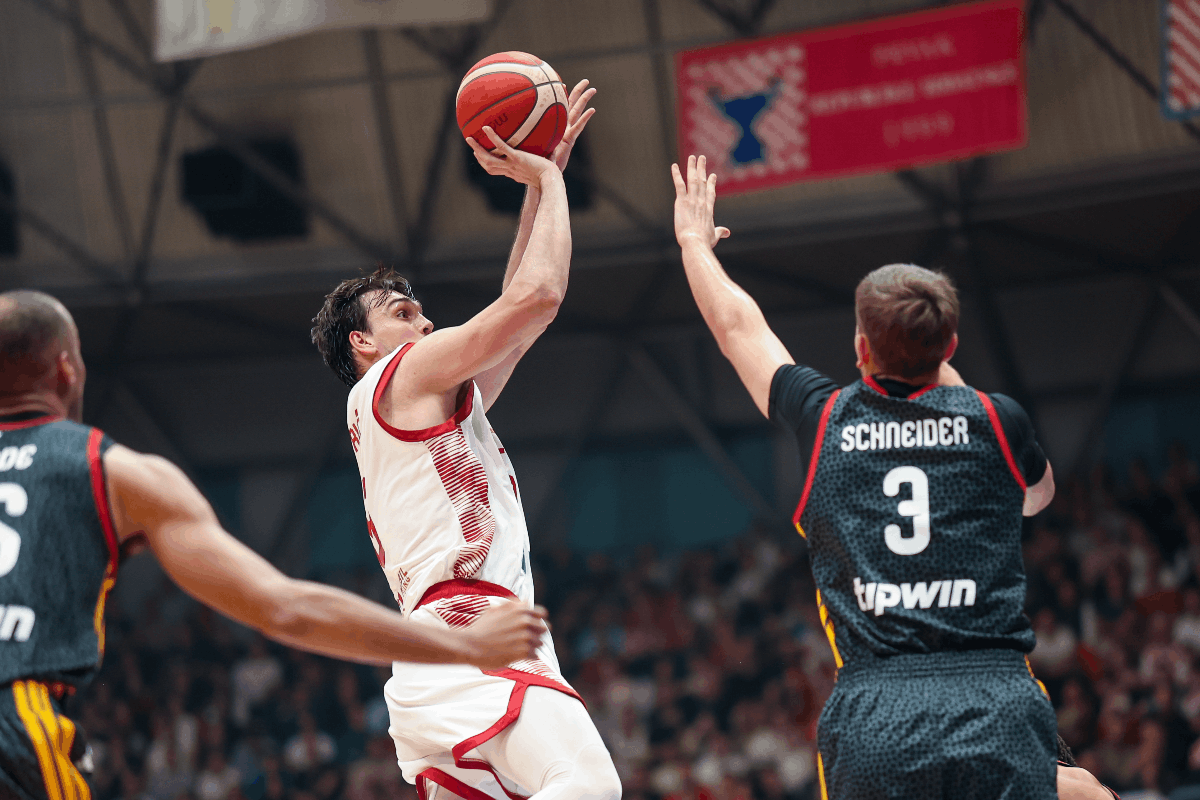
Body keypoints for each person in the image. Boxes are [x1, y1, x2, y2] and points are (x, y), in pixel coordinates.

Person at [0, 291, 548, 800]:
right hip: (17, 718)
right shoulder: (113, 471)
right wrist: (464, 647)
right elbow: (283, 608)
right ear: (67, 370)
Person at [670, 155, 1058, 798]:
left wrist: (693, 244)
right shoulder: (996, 419)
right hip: (997, 697)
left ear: (860, 349)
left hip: (879, 711)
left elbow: (737, 328)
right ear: (950, 347)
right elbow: (1037, 500)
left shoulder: (823, 418)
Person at [310, 81, 621, 800]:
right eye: (402, 313)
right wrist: (550, 180)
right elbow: (538, 298)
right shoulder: (402, 376)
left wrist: (539, 188)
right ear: (362, 342)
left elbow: (517, 323)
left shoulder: (415, 406)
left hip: (436, 650)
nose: (424, 324)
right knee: (587, 785)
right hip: (473, 625)